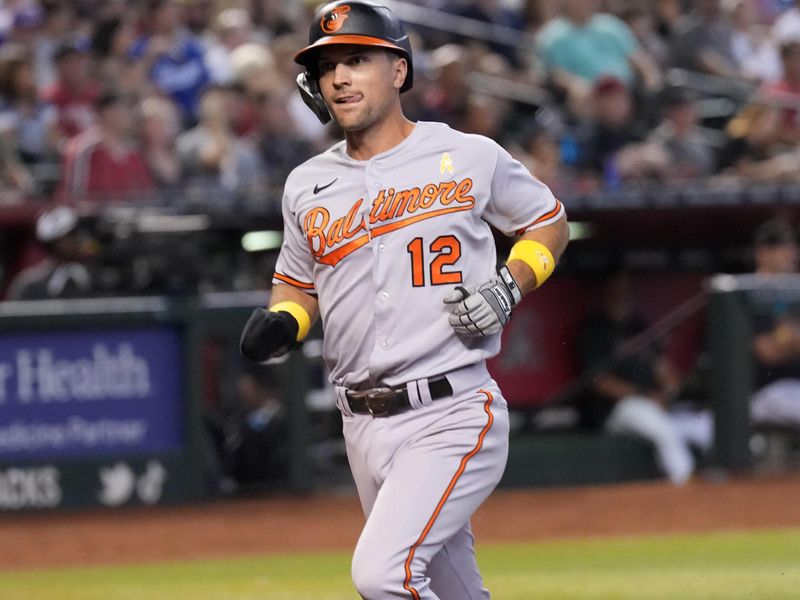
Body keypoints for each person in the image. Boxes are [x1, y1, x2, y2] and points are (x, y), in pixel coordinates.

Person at [238, 2, 569, 598]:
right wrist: (285, 321)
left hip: (452, 408)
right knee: (455, 588)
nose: (339, 77)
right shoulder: (306, 183)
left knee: (384, 575)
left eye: (357, 60)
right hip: (360, 423)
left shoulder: (468, 154)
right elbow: (297, 282)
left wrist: (510, 283)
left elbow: (548, 221)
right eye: (327, 66)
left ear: (398, 71)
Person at [577, 271, 698, 485]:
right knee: (664, 431)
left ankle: (736, 483)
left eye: (625, 290)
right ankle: (685, 484)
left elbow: (663, 369)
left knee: (703, 425)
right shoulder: (595, 330)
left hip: (654, 404)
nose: (621, 295)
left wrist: (670, 392)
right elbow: (599, 382)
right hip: (617, 409)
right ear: (606, 292)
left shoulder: (638, 326)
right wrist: (644, 395)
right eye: (616, 290)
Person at [750, 218, 800, 429]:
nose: (792, 254)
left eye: (793, 247)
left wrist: (787, 339)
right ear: (763, 253)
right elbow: (767, 352)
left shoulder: (792, 293)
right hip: (764, 392)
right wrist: (790, 339)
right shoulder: (748, 293)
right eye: (783, 247)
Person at [5, 205, 95, 300]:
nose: (78, 240)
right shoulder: (29, 285)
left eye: (77, 234)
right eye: (70, 236)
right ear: (53, 243)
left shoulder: (96, 277)